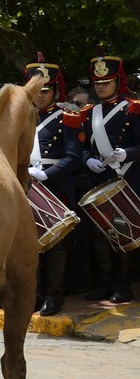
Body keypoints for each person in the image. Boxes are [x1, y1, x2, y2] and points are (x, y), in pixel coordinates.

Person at [69, 51, 140, 304]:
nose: (100, 87)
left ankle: (124, 284)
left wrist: (127, 153)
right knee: (99, 235)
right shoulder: (89, 113)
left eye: (105, 83)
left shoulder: (133, 108)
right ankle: (104, 283)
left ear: (118, 82)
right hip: (98, 180)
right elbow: (84, 146)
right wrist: (87, 158)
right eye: (97, 84)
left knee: (123, 235)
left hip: (126, 180)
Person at [23, 55, 80, 315]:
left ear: (55, 91)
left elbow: (73, 156)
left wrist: (48, 174)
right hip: (27, 185)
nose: (41, 95)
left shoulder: (67, 117)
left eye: (46, 90)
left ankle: (54, 295)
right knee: (29, 243)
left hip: (55, 186)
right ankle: (34, 293)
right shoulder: (22, 116)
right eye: (36, 90)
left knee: (56, 246)